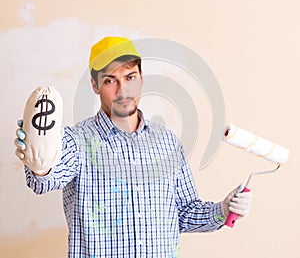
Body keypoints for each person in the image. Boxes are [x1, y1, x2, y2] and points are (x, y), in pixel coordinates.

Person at [15, 36, 252, 258]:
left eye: (130, 77)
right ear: (95, 86)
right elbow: (44, 181)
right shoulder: (76, 141)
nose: (123, 90)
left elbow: (184, 213)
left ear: (141, 79)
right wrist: (39, 161)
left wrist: (223, 208)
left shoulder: (167, 142)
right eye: (110, 81)